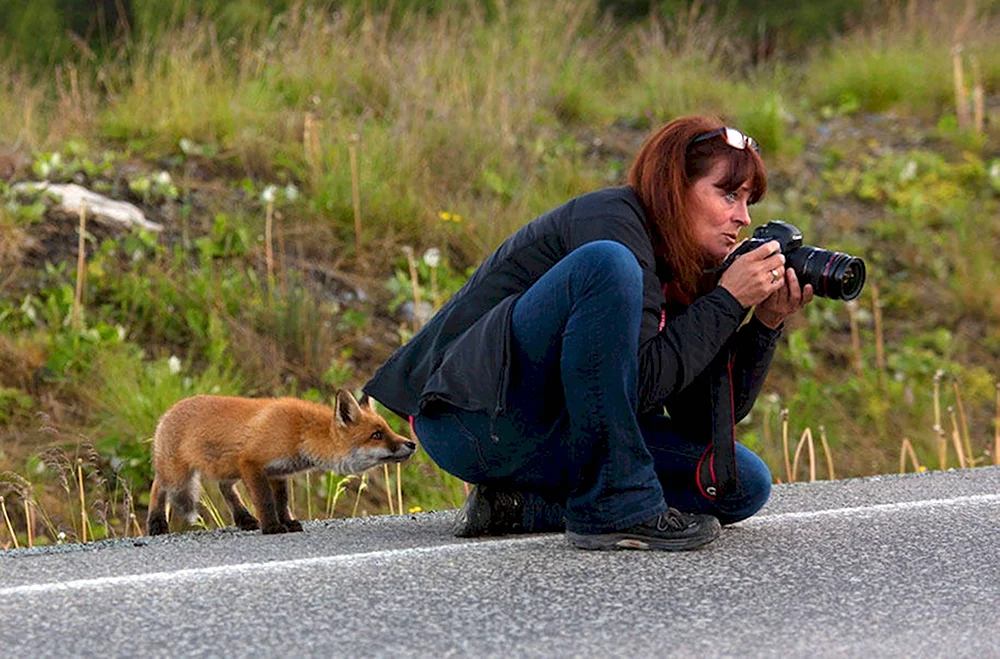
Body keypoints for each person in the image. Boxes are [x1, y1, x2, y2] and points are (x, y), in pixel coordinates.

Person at [363, 116, 813, 551]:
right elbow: (639, 385)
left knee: (735, 483)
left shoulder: (683, 261)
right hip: (473, 420)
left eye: (749, 202)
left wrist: (764, 325)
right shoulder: (610, 221)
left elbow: (699, 419)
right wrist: (726, 302)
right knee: (606, 262)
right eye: (729, 194)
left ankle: (522, 508)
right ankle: (616, 506)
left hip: (560, 431)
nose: (742, 218)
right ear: (675, 189)